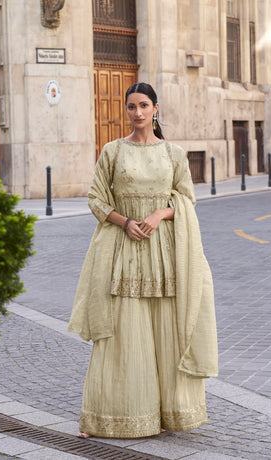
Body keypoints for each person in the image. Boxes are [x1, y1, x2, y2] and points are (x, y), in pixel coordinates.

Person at [68, 82, 218, 439]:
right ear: (127, 110)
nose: (137, 113)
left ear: (156, 108)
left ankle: (172, 412)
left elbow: (186, 198)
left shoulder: (173, 153)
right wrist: (126, 222)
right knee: (122, 335)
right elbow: (96, 198)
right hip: (122, 250)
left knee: (167, 330)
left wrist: (159, 215)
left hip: (165, 252)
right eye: (131, 107)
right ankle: (110, 416)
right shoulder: (112, 152)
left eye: (144, 105)